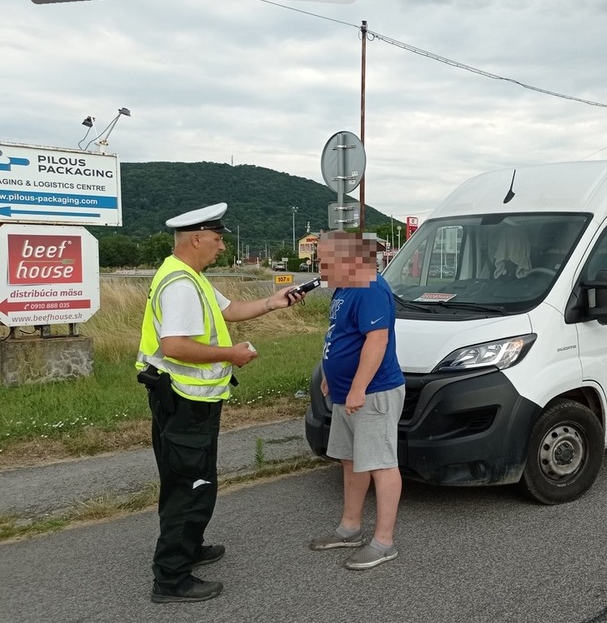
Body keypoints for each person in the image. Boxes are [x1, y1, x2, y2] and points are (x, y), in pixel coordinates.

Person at [136, 202, 305, 603]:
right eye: (217, 237)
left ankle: (189, 547)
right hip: (183, 400)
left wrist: (271, 302)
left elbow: (229, 311)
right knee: (190, 484)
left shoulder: (189, 276)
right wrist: (232, 355)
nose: (222, 245)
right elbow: (174, 345)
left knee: (190, 476)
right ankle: (171, 578)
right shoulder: (180, 283)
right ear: (196, 238)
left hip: (184, 398)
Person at [308, 231, 405, 570]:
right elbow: (338, 335)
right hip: (345, 392)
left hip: (373, 392)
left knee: (380, 463)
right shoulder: (344, 288)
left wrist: (358, 387)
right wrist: (329, 378)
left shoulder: (371, 288)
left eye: (324, 259)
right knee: (351, 460)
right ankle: (350, 529)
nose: (318, 265)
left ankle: (384, 543)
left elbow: (376, 342)